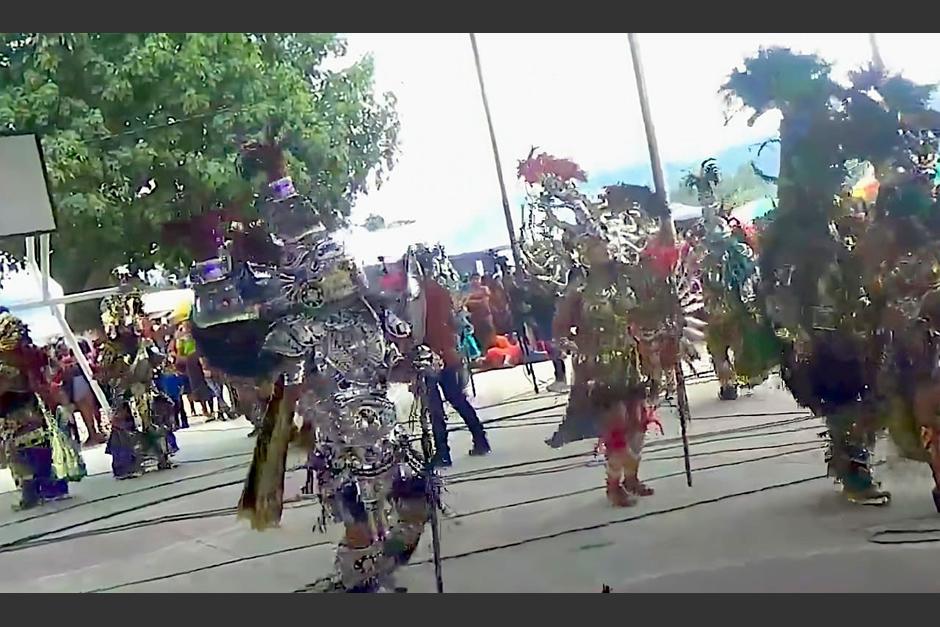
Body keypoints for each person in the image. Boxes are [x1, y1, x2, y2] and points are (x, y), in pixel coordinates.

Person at [419, 255, 491, 467]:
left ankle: (443, 452)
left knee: (435, 407)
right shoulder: (440, 290)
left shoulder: (417, 294)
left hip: (429, 355)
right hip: (448, 353)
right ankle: (480, 438)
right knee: (457, 399)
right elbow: (456, 320)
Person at [0, 312, 76, 509]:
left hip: (23, 411)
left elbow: (45, 380)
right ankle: (49, 487)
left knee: (22, 453)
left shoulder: (24, 359)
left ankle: (34, 492)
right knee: (34, 450)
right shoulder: (31, 356)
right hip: (29, 408)